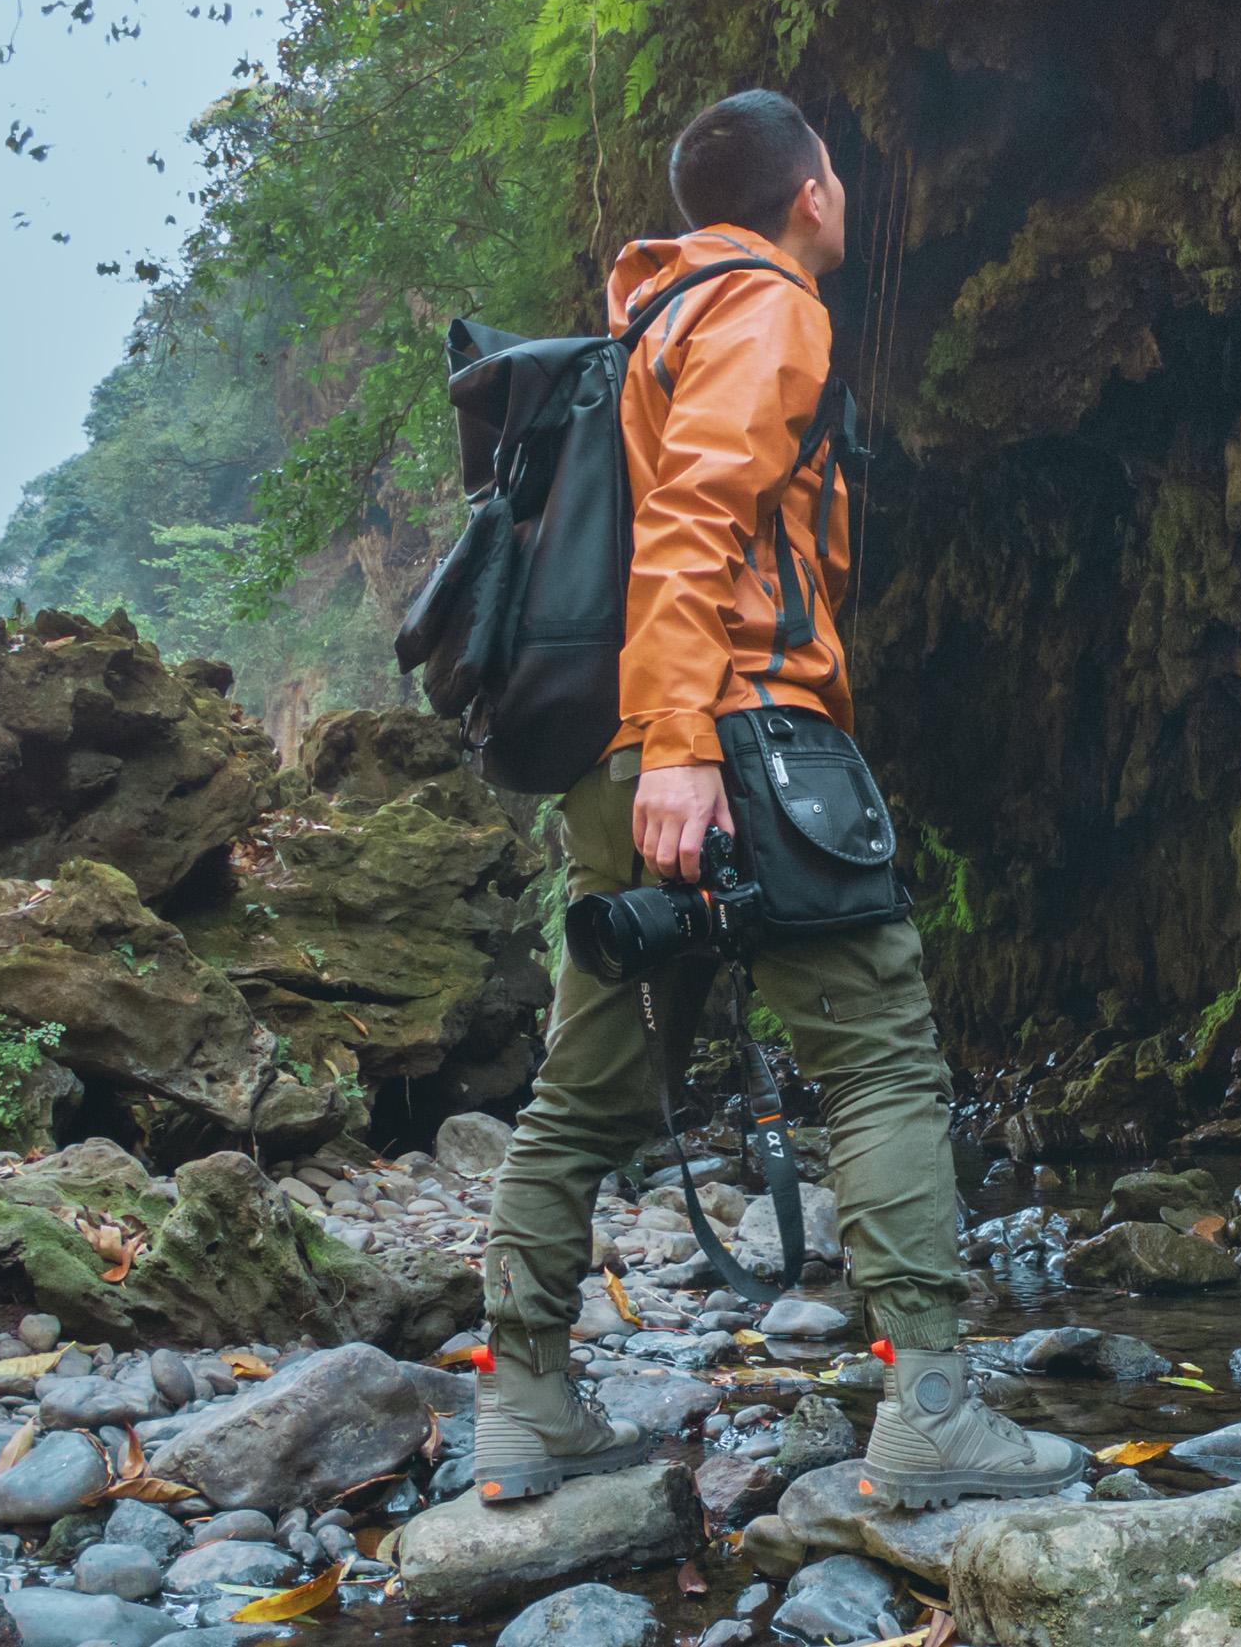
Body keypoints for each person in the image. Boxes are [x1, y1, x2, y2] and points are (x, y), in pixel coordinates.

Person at [471, 89, 1087, 1509]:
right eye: (839, 178)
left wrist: (655, 745)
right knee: (878, 1061)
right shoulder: (766, 306)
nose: (847, 199)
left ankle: (524, 1409)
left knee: (581, 1096)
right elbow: (701, 516)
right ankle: (929, 1407)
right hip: (737, 736)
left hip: (613, 756)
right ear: (812, 193)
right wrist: (694, 737)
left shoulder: (643, 325)